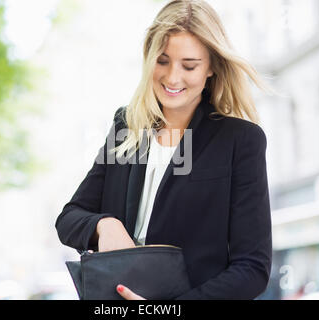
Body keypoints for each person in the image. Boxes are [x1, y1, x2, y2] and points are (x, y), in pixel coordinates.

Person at [55, 0, 273, 300]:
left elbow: (252, 268)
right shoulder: (126, 127)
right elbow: (69, 218)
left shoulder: (240, 141)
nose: (172, 77)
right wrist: (104, 226)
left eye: (189, 65)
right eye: (162, 60)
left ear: (211, 67)